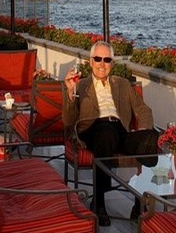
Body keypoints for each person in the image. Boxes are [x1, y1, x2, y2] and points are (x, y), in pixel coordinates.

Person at [63, 41, 159, 226]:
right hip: (92, 129)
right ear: (91, 61)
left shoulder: (122, 84)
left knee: (150, 138)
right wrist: (70, 93)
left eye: (106, 60)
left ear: (112, 63)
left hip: (119, 130)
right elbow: (68, 121)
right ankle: (99, 202)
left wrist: (142, 129)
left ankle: (139, 202)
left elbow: (144, 110)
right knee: (105, 133)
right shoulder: (80, 85)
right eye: (98, 59)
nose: (102, 64)